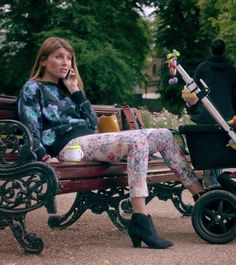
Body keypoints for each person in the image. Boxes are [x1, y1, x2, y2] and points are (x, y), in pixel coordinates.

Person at [18, 36, 205, 250]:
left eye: (69, 58)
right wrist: (43, 156)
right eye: (59, 57)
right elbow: (30, 127)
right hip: (70, 147)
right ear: (43, 60)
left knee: (164, 134)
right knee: (137, 140)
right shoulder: (33, 88)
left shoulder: (67, 89)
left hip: (89, 141)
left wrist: (75, 91)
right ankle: (141, 219)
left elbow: (91, 122)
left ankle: (200, 196)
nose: (65, 63)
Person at [182, 39, 236, 188]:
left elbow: (193, 92)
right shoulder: (232, 71)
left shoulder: (203, 68)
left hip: (205, 116)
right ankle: (218, 179)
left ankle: (211, 179)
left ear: (210, 50)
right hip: (226, 117)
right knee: (221, 148)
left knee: (208, 149)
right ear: (224, 51)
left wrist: (193, 110)